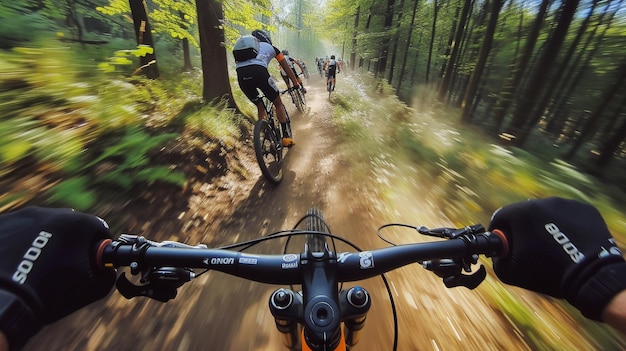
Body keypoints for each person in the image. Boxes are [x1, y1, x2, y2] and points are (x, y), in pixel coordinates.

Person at [0, 197, 625, 350]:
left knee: (271, 96)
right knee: (273, 94)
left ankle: (273, 120)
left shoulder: (256, 54)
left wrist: (8, 304)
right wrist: (605, 286)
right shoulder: (265, 53)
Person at [233, 30, 302, 147]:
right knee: (278, 103)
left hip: (241, 75)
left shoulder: (246, 49)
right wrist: (295, 83)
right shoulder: (272, 48)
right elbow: (286, 68)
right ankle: (286, 138)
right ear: (267, 38)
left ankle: (265, 131)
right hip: (260, 73)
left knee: (260, 106)